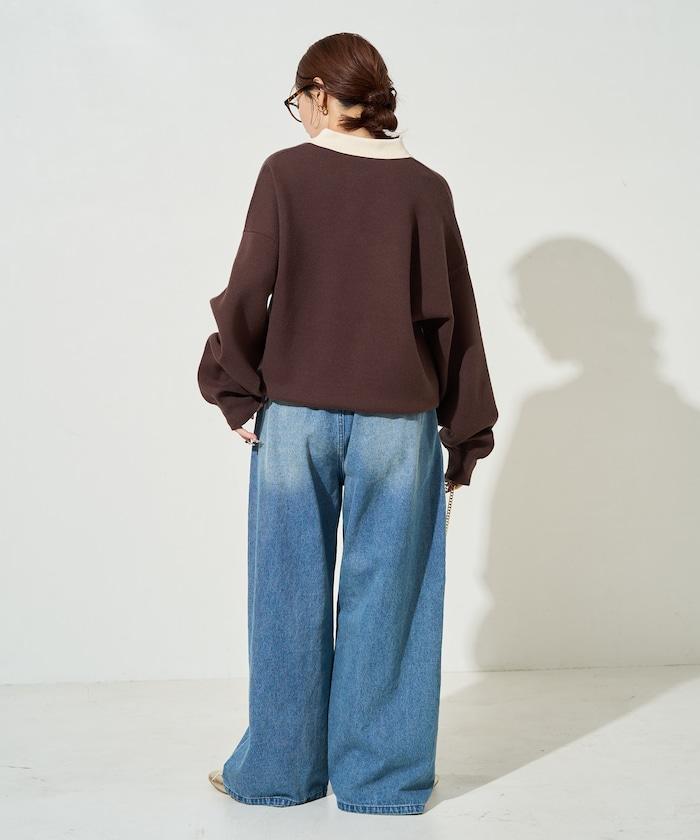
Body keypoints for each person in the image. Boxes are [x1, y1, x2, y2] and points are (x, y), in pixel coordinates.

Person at [197, 32, 498, 816]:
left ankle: (278, 773)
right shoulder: (425, 188)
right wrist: (464, 433)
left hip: (295, 422)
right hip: (400, 425)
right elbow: (454, 318)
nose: (298, 113)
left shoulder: (286, 173)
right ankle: (381, 781)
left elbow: (248, 289)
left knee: (285, 595)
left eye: (299, 99)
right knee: (390, 600)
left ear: (322, 93)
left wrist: (234, 389)